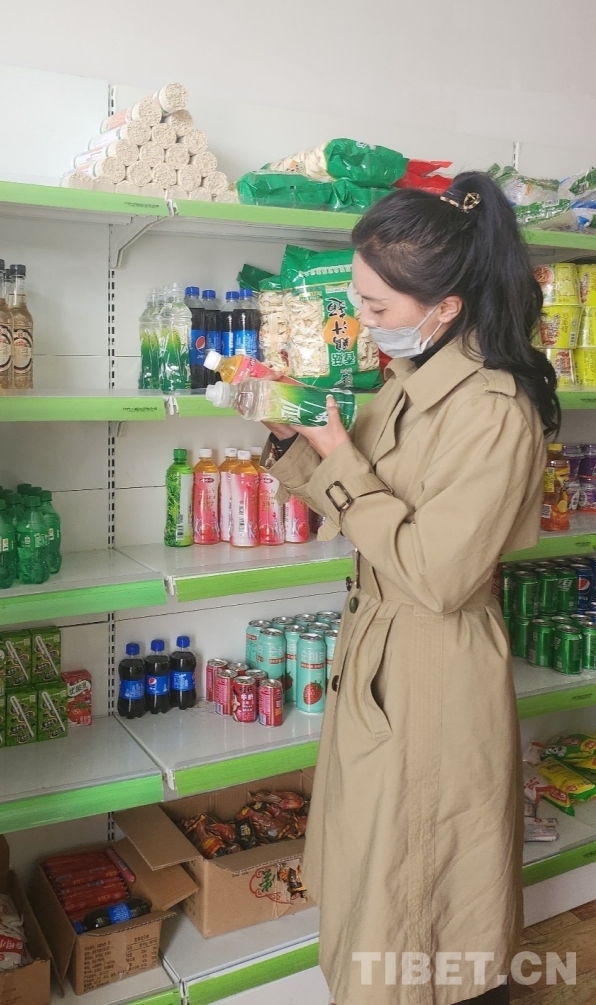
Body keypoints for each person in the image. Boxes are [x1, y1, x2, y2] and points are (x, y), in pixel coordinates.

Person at [263, 172, 556, 1005]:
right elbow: (358, 501)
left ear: (445, 307)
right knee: (376, 880)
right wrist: (293, 436)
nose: (363, 321)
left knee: (422, 891)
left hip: (434, 665)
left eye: (377, 305)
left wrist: (338, 459)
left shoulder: (492, 409)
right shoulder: (410, 379)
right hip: (381, 652)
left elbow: (436, 572)